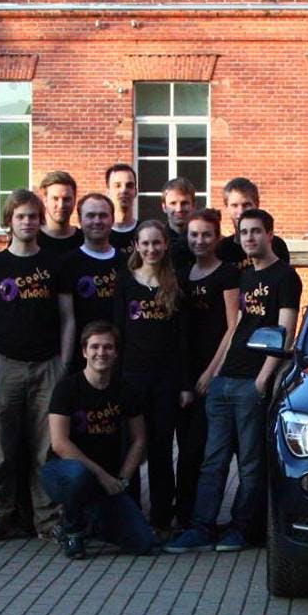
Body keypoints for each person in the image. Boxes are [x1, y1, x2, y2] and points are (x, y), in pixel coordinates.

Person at [166, 208, 299, 554]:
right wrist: (213, 372)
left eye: (256, 231)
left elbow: (286, 332)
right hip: (226, 380)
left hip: (252, 382)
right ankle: (201, 527)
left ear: (270, 235)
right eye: (244, 233)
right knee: (213, 460)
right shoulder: (246, 278)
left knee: (251, 463)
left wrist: (262, 380)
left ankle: (242, 529)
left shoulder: (285, 276)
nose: (250, 238)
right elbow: (235, 329)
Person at [0, 189, 77, 544]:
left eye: (33, 216)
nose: (27, 222)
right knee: (0, 446)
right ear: (9, 221)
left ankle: (48, 520)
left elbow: (68, 318)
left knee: (46, 448)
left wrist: (63, 363)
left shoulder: (54, 264)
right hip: (4, 366)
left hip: (47, 366)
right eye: (21, 216)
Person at [40, 322, 155, 559]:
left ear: (116, 352)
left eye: (107, 347)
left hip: (107, 479)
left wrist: (122, 479)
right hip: (62, 472)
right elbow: (59, 443)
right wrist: (102, 475)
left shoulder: (125, 389)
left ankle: (92, 521)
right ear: (84, 351)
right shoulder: (67, 388)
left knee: (144, 542)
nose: (100, 353)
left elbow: (139, 439)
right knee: (78, 474)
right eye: (94, 347)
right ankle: (71, 531)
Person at [117, 220, 187, 532]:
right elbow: (117, 332)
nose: (151, 249)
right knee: (131, 445)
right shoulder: (125, 281)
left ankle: (160, 517)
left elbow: (183, 340)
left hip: (166, 381)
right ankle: (130, 514)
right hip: (131, 378)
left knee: (160, 449)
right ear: (136, 245)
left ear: (166, 245)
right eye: (145, 243)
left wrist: (185, 384)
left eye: (157, 243)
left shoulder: (175, 283)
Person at [173, 208, 238, 533]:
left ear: (218, 238)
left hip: (214, 376)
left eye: (206, 235)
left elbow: (232, 327)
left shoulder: (227, 274)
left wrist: (211, 372)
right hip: (185, 374)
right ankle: (183, 516)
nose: (200, 240)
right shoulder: (181, 276)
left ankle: (204, 520)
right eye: (194, 235)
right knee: (186, 451)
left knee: (207, 452)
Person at [60, 192, 124, 335]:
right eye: (90, 215)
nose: (97, 221)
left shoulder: (127, 262)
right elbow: (66, 320)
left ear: (112, 219)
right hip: (81, 351)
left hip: (120, 349)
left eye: (103, 215)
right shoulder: (67, 264)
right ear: (80, 221)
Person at [215, 177, 291, 267]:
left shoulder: (275, 245)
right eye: (234, 205)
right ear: (226, 207)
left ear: (257, 204)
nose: (241, 211)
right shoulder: (222, 248)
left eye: (246, 205)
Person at [36, 170, 82, 256]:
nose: (61, 205)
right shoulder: (32, 240)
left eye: (66, 199)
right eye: (55, 198)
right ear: (45, 200)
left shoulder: (84, 240)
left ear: (74, 200)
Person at [161, 176, 199, 272]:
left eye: (184, 203)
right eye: (173, 203)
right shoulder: (158, 240)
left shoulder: (204, 240)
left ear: (194, 205)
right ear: (164, 207)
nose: (179, 209)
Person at [106, 163, 141, 257]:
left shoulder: (144, 232)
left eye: (129, 186)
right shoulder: (98, 234)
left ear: (135, 192)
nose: (124, 190)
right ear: (108, 192)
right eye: (117, 186)